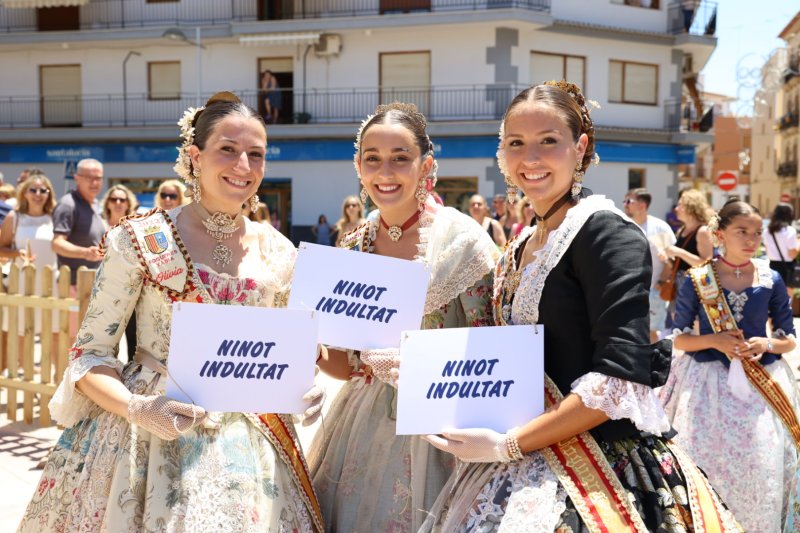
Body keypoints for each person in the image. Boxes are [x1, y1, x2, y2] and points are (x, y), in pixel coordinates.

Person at [419, 81, 739, 532]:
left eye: (548, 141)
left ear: (580, 147)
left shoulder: (609, 234)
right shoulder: (523, 243)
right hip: (519, 452)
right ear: (501, 153)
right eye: (516, 143)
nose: (530, 158)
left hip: (596, 462)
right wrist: (410, 365)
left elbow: (618, 378)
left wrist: (508, 444)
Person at [17, 92, 325, 532]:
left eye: (255, 155)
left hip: (253, 443)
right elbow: (89, 355)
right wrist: (138, 408)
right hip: (147, 435)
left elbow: (287, 353)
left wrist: (304, 386)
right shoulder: (143, 240)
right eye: (228, 150)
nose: (243, 166)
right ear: (195, 157)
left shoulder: (280, 252)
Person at [307, 102, 498, 532]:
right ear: (358, 167)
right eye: (373, 159)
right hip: (362, 426)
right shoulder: (354, 243)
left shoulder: (462, 241)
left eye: (400, 158)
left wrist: (420, 366)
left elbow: (494, 351)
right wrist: (309, 348)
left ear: (426, 165)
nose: (385, 172)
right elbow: (350, 366)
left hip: (443, 427)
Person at [660, 199, 800, 532]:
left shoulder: (771, 279)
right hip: (706, 385)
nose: (752, 239)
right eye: (742, 231)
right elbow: (678, 339)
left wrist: (765, 343)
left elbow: (788, 339)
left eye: (756, 232)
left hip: (761, 385)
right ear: (720, 234)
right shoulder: (699, 279)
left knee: (760, 463)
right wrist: (714, 340)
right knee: (706, 463)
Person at [0, 174, 58, 371]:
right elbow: (1, 248)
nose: (38, 194)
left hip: (53, 283)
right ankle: (27, 376)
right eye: (33, 189)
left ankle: (48, 377)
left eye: (43, 190)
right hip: (23, 281)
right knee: (23, 331)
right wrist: (17, 252)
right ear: (24, 192)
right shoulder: (14, 217)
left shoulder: (54, 217)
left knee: (52, 332)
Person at [623, 187, 676, 341]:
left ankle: (654, 364)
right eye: (624, 201)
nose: (625, 204)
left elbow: (671, 259)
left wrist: (661, 282)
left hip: (653, 291)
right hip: (628, 290)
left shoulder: (659, 228)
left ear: (642, 206)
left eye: (629, 201)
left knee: (651, 332)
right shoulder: (623, 226)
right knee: (630, 331)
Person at [51, 158, 106, 286]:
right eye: (89, 177)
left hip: (94, 282)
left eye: (98, 178)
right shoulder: (68, 204)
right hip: (74, 284)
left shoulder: (96, 205)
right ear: (77, 178)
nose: (94, 182)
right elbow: (57, 244)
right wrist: (85, 253)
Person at [663, 188, 714, 325]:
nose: (676, 208)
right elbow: (680, 262)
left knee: (695, 326)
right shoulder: (682, 230)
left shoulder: (702, 231)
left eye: (680, 205)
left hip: (696, 284)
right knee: (679, 328)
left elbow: (706, 263)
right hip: (679, 282)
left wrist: (679, 252)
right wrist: (667, 257)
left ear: (691, 207)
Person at [764, 202, 799, 298]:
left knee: (774, 295)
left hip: (772, 265)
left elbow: (767, 250)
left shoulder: (767, 231)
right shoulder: (790, 230)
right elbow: (792, 254)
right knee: (787, 297)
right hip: (787, 267)